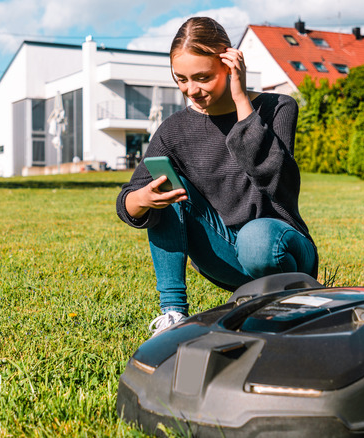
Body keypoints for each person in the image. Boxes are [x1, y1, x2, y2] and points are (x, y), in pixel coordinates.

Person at [115, 17, 318, 336]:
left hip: (281, 248)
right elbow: (128, 199)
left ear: (230, 62)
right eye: (181, 79)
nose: (190, 90)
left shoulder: (278, 107)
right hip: (223, 256)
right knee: (166, 188)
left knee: (256, 238)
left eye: (202, 77)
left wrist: (241, 101)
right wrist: (142, 199)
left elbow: (276, 181)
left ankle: (285, 300)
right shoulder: (173, 131)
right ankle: (173, 315)